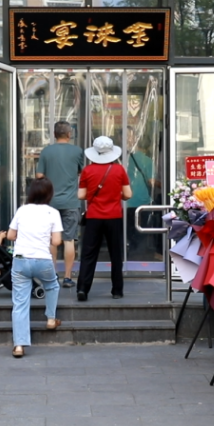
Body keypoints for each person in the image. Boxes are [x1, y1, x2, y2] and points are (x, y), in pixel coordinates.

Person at [5, 177, 64, 358]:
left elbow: (10, 236)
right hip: (42, 260)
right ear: (49, 194)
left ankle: (19, 346)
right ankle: (51, 319)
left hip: (21, 260)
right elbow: (56, 241)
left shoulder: (22, 210)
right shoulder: (53, 213)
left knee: (20, 303)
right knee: (52, 285)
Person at [76, 136, 131, 301]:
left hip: (93, 217)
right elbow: (128, 194)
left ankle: (83, 289)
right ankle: (117, 290)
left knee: (88, 254)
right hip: (114, 216)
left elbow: (81, 195)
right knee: (116, 254)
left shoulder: (87, 171)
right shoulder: (119, 170)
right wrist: (115, 194)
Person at [35, 120, 84, 290]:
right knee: (69, 239)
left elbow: (39, 175)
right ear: (69, 134)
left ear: (54, 134)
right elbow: (82, 171)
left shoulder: (46, 151)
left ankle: (53, 275)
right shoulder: (77, 151)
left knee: (52, 240)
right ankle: (68, 277)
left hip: (50, 203)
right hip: (71, 202)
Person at [125, 127, 159, 260]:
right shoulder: (147, 160)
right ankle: (137, 257)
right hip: (142, 202)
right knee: (140, 232)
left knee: (127, 231)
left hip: (124, 201)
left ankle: (128, 255)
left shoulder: (120, 160)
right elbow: (151, 182)